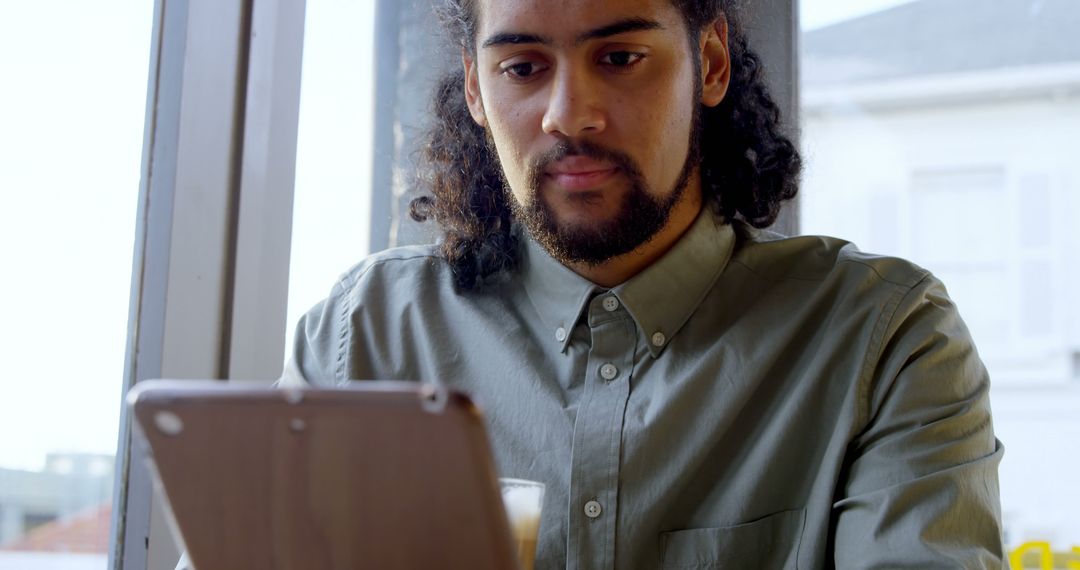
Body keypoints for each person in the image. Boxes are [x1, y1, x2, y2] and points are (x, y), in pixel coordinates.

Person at [284, 0, 1006, 567]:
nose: (570, 114)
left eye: (620, 56)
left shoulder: (885, 341)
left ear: (711, 63)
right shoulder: (361, 337)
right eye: (522, 69)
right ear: (475, 89)